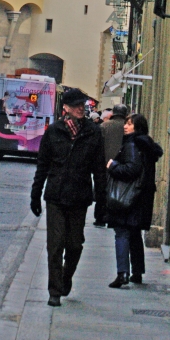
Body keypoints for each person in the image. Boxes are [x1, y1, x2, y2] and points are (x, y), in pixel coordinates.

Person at [31, 87, 107, 307]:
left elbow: (99, 169)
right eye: (76, 105)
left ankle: (66, 276)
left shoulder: (93, 132)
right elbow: (42, 165)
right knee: (55, 245)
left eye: (82, 105)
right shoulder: (54, 131)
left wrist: (102, 201)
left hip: (79, 196)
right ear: (66, 108)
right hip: (55, 195)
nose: (80, 108)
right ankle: (54, 291)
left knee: (75, 244)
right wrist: (36, 194)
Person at [106, 113, 163, 287]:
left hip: (129, 196)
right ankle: (137, 272)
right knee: (134, 232)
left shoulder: (132, 144)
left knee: (122, 232)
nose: (125, 126)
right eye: (126, 123)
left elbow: (132, 169)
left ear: (138, 127)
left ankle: (122, 273)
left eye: (129, 124)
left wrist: (113, 166)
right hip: (141, 196)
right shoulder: (146, 144)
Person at [94, 103, 127, 225]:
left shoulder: (104, 126)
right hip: (122, 166)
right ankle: (114, 218)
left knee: (102, 191)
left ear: (113, 113)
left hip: (104, 165)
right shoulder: (127, 127)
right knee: (119, 192)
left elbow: (97, 146)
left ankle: (100, 217)